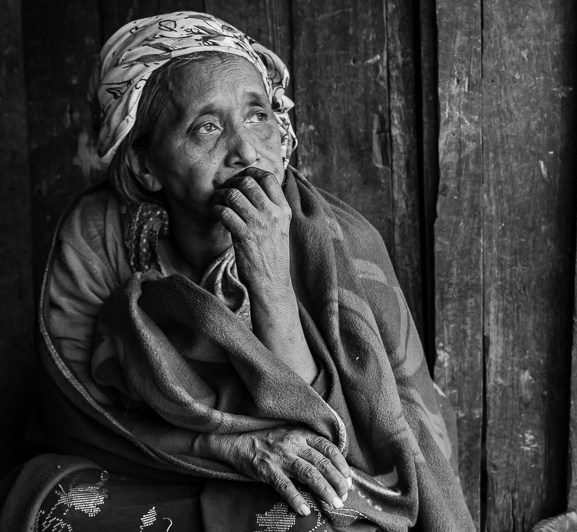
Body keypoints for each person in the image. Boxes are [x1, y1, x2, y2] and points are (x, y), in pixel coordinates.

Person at [0, 11, 473, 532]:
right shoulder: (99, 235)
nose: (246, 151)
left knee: (320, 515)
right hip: (155, 468)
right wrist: (233, 445)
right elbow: (84, 422)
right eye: (207, 127)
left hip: (302, 473)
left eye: (257, 117)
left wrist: (269, 277)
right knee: (53, 505)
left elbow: (344, 441)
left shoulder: (337, 242)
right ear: (144, 164)